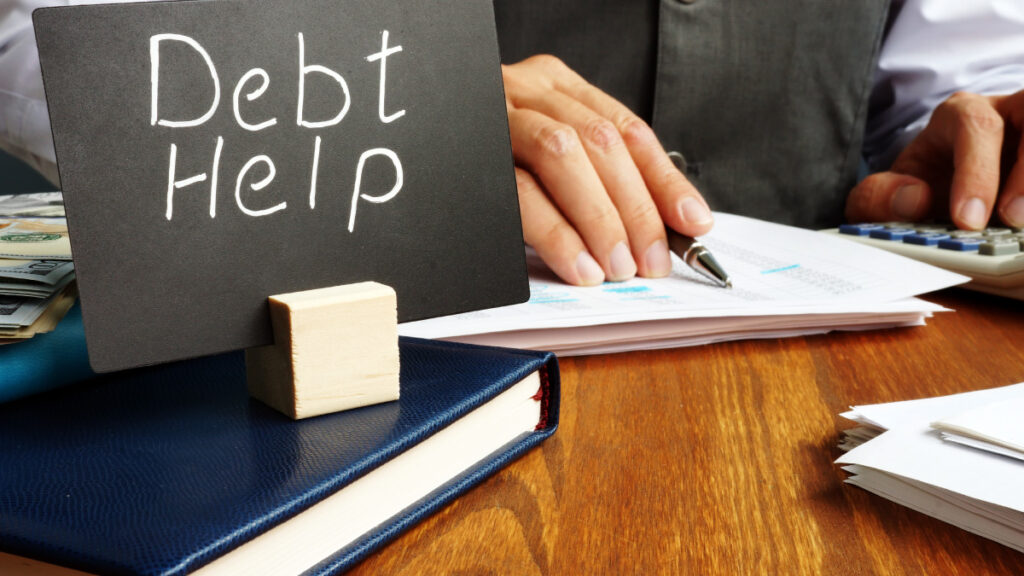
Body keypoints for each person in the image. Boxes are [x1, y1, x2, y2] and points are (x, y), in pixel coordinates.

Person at [4, 1, 1024, 285]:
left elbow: (931, 96)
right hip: (363, 377)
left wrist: (972, 147)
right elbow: (39, 29)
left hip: (823, 388)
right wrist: (363, 107)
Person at [494, 0, 1024, 285]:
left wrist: (981, 146)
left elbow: (949, 80)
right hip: (479, 310)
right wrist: (439, 106)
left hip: (823, 325)